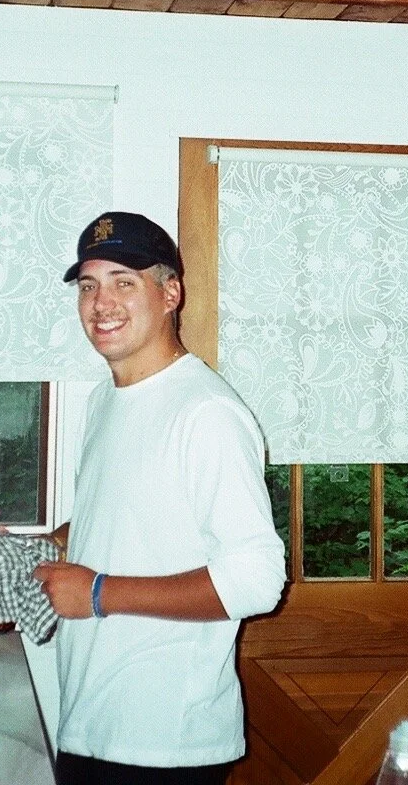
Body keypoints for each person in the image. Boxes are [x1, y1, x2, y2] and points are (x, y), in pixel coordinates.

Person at [33, 211, 287, 785]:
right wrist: (51, 545)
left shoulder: (207, 413)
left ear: (170, 293)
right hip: (92, 718)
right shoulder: (104, 401)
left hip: (165, 741)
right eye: (88, 286)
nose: (101, 303)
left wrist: (97, 592)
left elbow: (255, 579)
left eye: (124, 282)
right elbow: (131, 512)